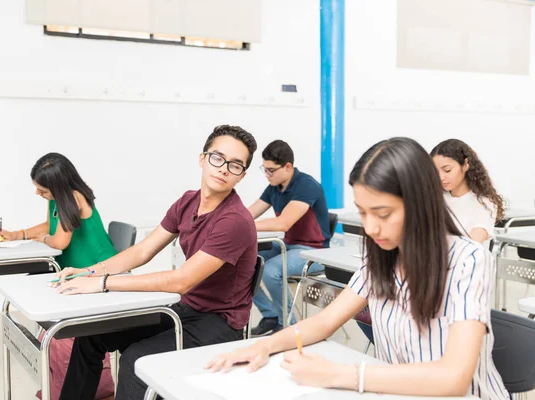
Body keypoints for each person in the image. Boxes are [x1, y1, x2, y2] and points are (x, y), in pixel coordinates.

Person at [206, 137, 509, 399]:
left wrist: (341, 375)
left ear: (421, 203)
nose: (371, 227)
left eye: (383, 213)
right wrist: (266, 345)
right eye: (363, 213)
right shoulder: (382, 257)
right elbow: (324, 323)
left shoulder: (468, 260)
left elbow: (454, 377)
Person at [54, 125, 258, 400]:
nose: (223, 169)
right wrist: (91, 271)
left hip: (219, 324)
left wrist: (102, 284)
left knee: (136, 362)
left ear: (242, 175)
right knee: (91, 336)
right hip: (186, 309)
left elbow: (181, 280)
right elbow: (143, 251)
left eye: (235, 165)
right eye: (217, 158)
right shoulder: (188, 201)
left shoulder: (234, 220)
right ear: (202, 158)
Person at [0, 152, 116, 400]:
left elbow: (58, 239)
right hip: (74, 271)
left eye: (42, 190)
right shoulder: (59, 198)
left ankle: (66, 385)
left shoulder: (71, 197)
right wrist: (19, 234)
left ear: (57, 187)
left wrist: (43, 239)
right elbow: (51, 226)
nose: (38, 194)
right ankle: (56, 380)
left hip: (95, 272)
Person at [247, 140, 331, 335]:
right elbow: (250, 212)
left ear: (288, 167)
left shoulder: (307, 185)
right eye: (264, 170)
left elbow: (282, 223)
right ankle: (270, 316)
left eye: (271, 170)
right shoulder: (275, 187)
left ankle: (289, 326)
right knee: (242, 265)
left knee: (270, 270)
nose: (267, 175)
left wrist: (242, 225)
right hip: (289, 245)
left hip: (315, 251)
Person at [431, 139, 504, 246]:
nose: (441, 177)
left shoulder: (484, 202)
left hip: (466, 261)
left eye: (447, 170)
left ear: (465, 164)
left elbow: (472, 245)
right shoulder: (437, 198)